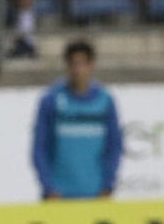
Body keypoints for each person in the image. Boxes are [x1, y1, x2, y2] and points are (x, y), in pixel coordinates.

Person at [32, 38, 124, 200]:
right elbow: (40, 147)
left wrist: (107, 185)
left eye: (81, 64)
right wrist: (48, 187)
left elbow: (114, 146)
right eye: (72, 64)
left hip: (95, 193)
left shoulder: (104, 101)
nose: (77, 70)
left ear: (91, 66)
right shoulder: (51, 100)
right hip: (59, 195)